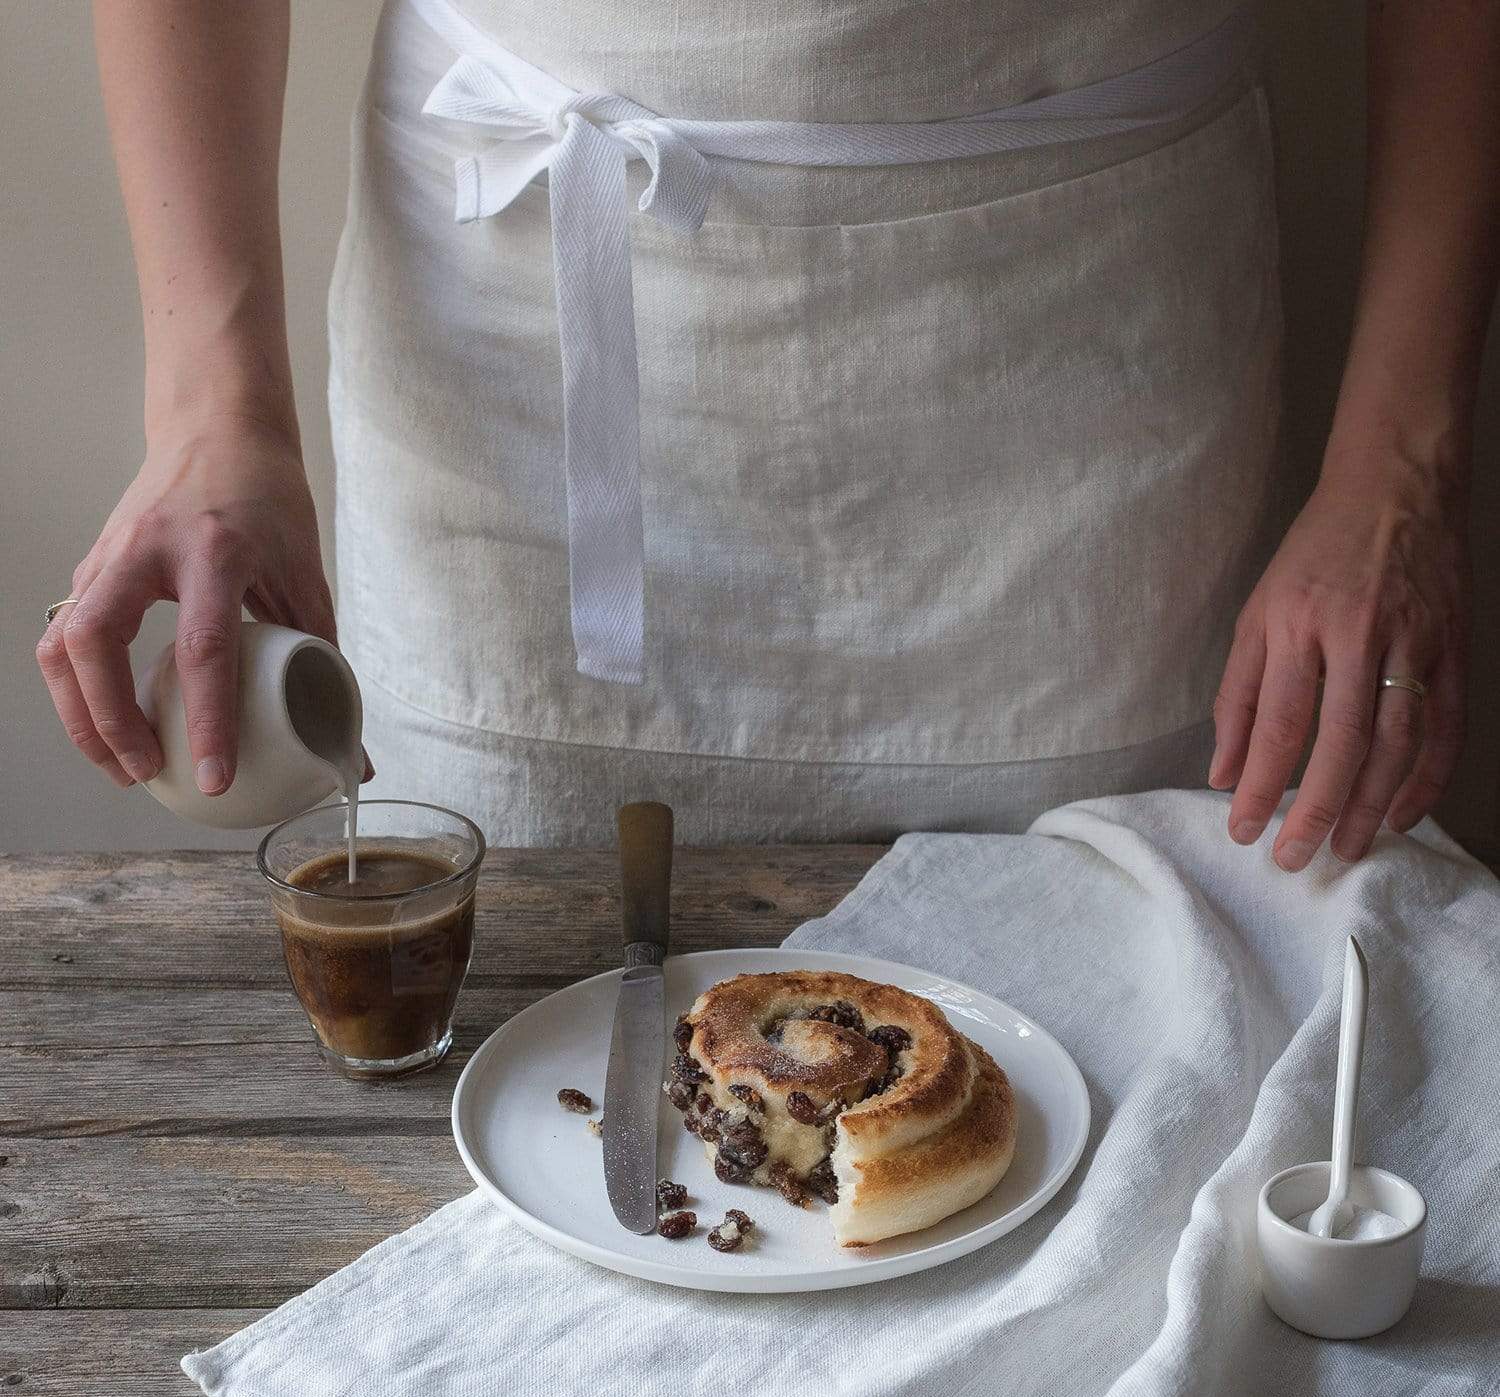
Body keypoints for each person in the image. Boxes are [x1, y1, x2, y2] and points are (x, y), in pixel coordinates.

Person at [38, 0, 1497, 857]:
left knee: (1109, 1127)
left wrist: (1401, 470)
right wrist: (215, 415)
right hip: (516, 411)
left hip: (1084, 415)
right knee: (490, 1134)